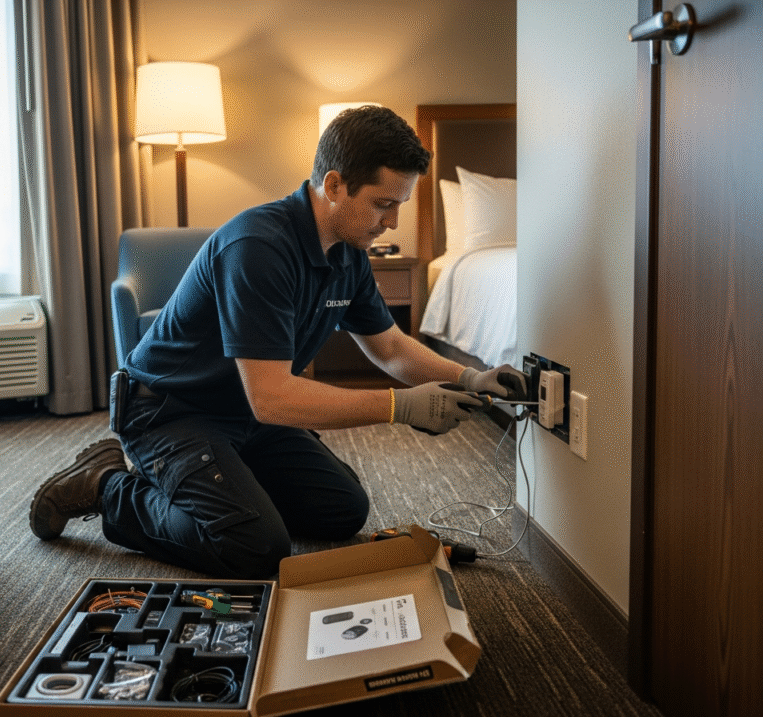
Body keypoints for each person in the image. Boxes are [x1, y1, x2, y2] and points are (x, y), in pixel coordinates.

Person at [29, 105, 526, 579]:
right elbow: (273, 398)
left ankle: (222, 485)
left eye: (398, 205)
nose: (391, 222)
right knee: (254, 546)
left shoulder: (348, 252)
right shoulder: (259, 247)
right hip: (169, 410)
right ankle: (107, 485)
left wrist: (469, 376)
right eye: (383, 204)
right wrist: (399, 407)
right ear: (334, 185)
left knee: (342, 510)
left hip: (243, 415)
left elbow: (390, 347)